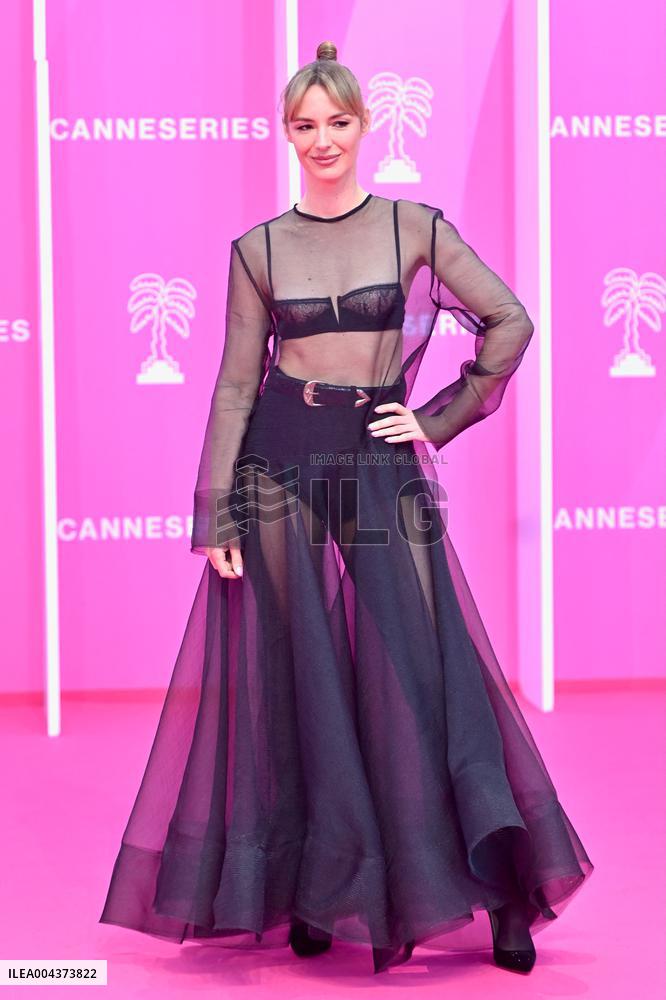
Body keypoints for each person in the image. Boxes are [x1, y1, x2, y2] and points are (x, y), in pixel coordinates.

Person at [99, 40, 594, 976]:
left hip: (377, 465)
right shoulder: (260, 248)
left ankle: (499, 891)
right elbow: (235, 387)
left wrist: (438, 418)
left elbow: (510, 319)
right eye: (303, 125)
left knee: (425, 665)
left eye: (337, 122)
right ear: (287, 134)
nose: (322, 140)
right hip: (279, 462)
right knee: (303, 678)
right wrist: (216, 514)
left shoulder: (414, 226)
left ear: (363, 127)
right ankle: (322, 889)